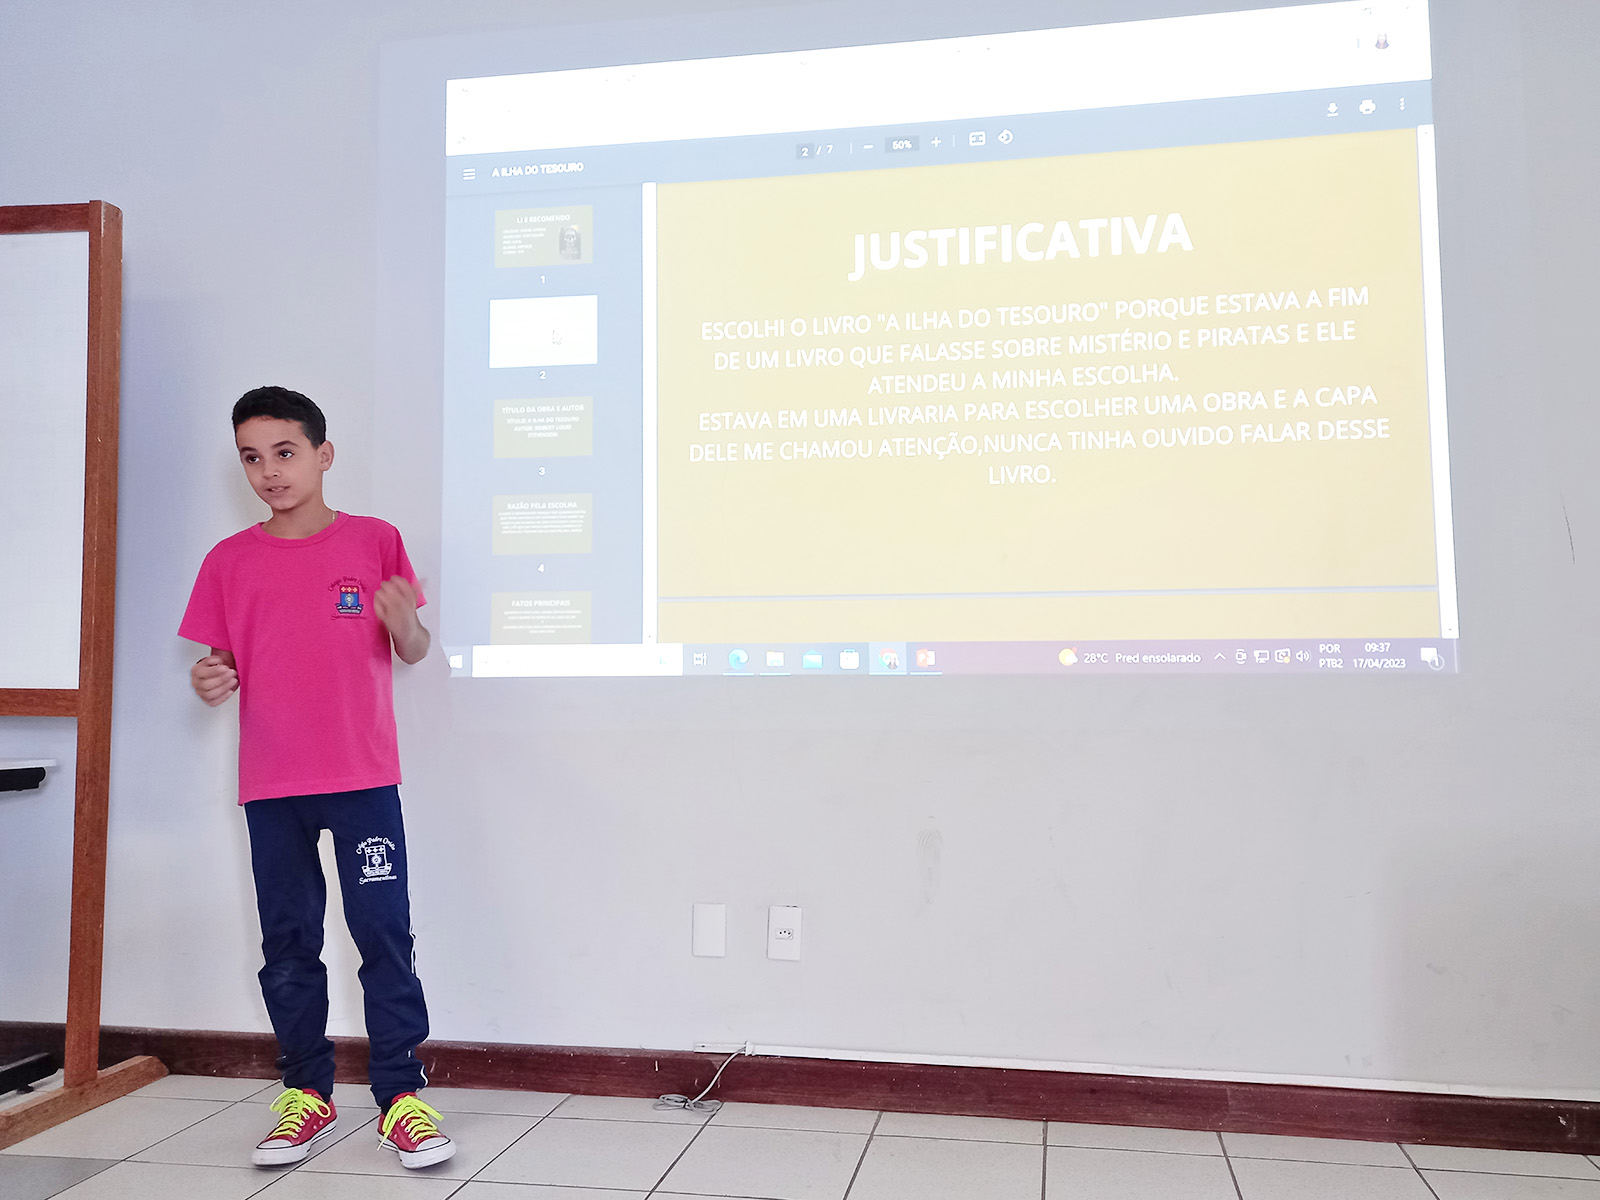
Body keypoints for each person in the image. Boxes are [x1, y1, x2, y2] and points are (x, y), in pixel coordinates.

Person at [180, 386, 455, 1170]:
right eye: (251, 457)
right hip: (272, 786)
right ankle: (307, 1093)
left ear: (323, 455)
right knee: (288, 943)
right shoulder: (228, 561)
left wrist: (404, 623)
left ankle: (401, 1098)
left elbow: (413, 648)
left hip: (363, 778)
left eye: (285, 452)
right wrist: (209, 677)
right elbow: (220, 662)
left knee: (383, 934)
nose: (269, 471)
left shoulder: (374, 540)